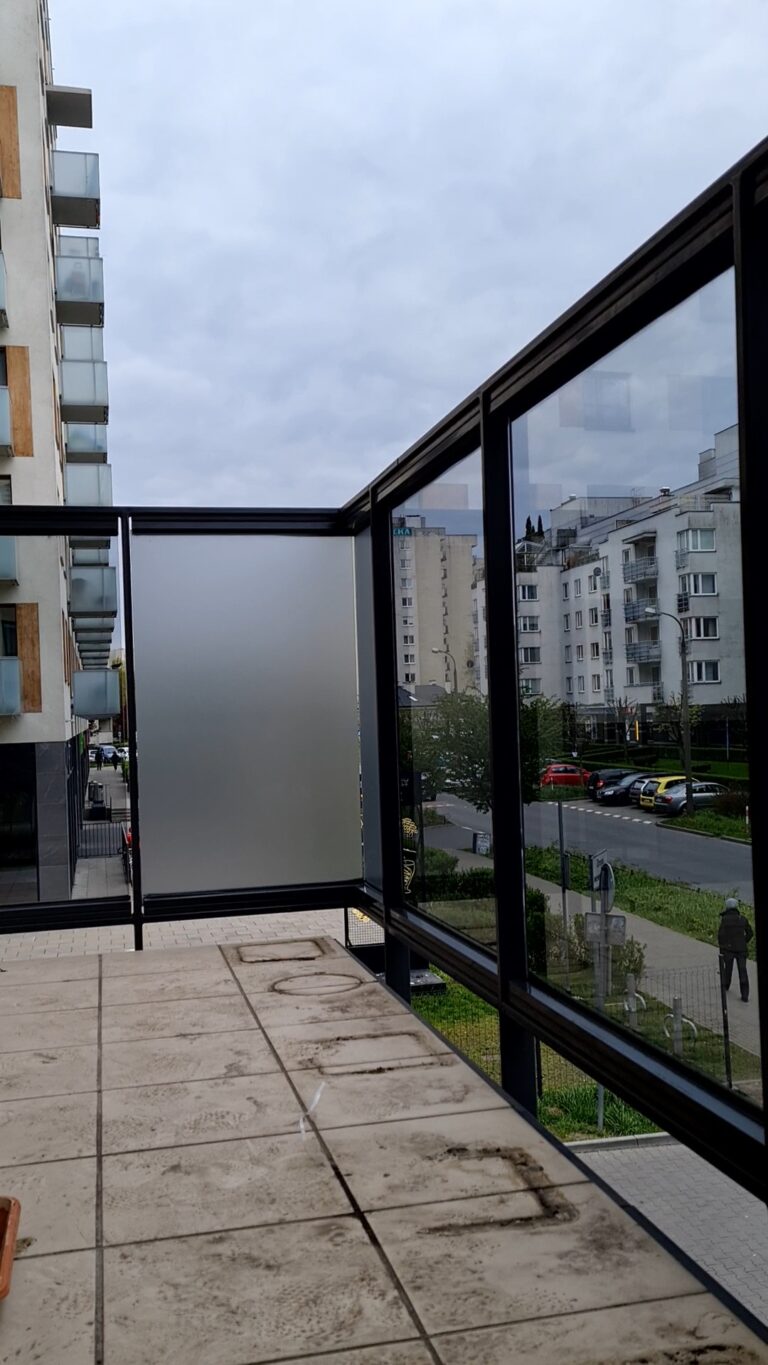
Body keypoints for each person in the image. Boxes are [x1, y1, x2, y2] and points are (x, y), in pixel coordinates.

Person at [718, 897, 753, 1002]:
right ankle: (745, 995)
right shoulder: (742, 919)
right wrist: (744, 941)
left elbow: (721, 935)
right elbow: (750, 933)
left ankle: (726, 985)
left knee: (728, 969)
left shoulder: (725, 919)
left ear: (727, 907)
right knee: (742, 970)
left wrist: (722, 948)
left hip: (729, 948)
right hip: (741, 949)